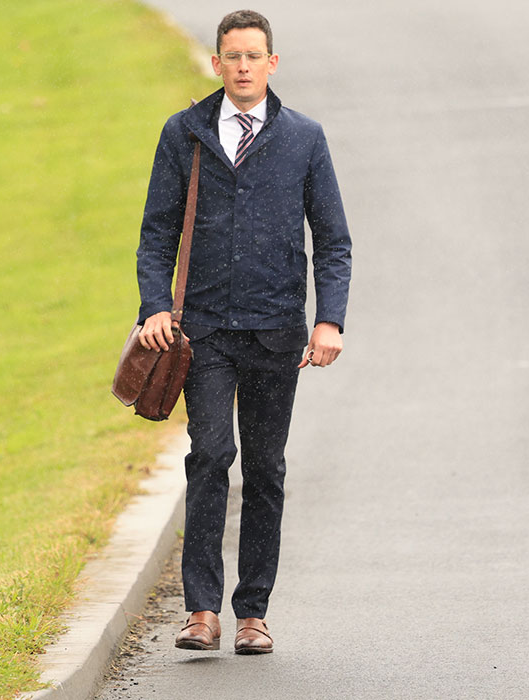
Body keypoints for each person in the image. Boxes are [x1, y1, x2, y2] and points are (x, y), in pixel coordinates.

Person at [135, 9, 351, 655]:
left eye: (254, 56)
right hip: (201, 333)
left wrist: (329, 319)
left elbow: (334, 241)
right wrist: (154, 308)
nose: (243, 66)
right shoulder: (185, 134)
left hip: (276, 331)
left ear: (272, 64)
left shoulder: (304, 139)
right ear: (217, 63)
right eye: (232, 56)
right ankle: (202, 611)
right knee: (210, 458)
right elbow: (156, 234)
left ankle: (253, 612)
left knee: (264, 469)